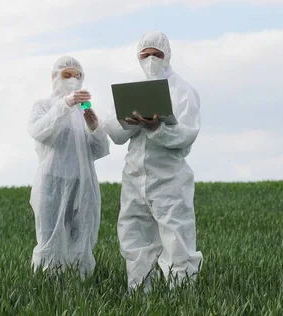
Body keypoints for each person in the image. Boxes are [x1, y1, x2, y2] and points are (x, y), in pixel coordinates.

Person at [103, 31, 203, 292]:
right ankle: (140, 295)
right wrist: (133, 121)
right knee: (134, 236)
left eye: (156, 54)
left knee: (176, 239)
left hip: (168, 177)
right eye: (145, 55)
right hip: (135, 176)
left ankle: (182, 297)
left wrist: (157, 127)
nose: (150, 60)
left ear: (167, 54)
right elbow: (114, 133)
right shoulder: (133, 90)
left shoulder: (183, 91)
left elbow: (187, 134)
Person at [27, 56, 110, 279]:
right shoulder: (43, 106)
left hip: (83, 184)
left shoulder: (83, 110)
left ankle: (80, 285)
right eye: (67, 75)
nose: (73, 80)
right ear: (54, 77)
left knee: (82, 237)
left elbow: (99, 150)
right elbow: (39, 131)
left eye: (77, 76)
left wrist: (94, 126)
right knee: (49, 238)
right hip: (52, 183)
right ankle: (47, 287)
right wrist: (65, 104)